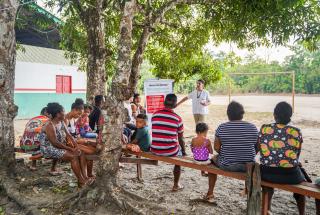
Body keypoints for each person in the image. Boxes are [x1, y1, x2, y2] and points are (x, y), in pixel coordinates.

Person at [258, 102, 307, 214]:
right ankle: (302, 213)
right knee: (302, 179)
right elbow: (296, 154)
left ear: (274, 115)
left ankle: (267, 209)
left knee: (267, 181)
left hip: (267, 173)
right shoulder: (296, 131)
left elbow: (261, 148)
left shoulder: (265, 128)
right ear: (290, 116)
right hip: (291, 175)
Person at [209, 101, 258, 199]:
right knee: (248, 158)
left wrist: (227, 152)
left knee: (213, 159)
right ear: (242, 114)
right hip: (248, 166)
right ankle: (246, 189)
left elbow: (216, 148)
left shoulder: (222, 127)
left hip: (228, 165)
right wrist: (249, 153)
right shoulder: (253, 127)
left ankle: (210, 192)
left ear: (228, 114)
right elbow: (258, 146)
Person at [39, 103, 94, 187]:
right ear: (57, 114)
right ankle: (81, 180)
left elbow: (69, 135)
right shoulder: (49, 125)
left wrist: (76, 146)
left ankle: (85, 177)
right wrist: (71, 149)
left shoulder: (61, 121)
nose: (64, 113)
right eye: (63, 112)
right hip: (49, 148)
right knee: (73, 156)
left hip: (59, 146)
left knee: (81, 152)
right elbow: (55, 143)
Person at [150, 93, 186, 191]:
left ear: (164, 102)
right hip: (170, 151)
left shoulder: (155, 115)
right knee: (179, 157)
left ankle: (176, 184)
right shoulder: (177, 118)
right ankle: (176, 184)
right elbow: (181, 138)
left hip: (155, 149)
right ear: (175, 104)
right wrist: (184, 151)